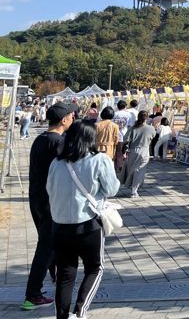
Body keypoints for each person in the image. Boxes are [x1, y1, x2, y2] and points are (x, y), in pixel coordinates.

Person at [46, 120, 119, 319]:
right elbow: (112, 189)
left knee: (65, 274)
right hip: (89, 225)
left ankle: (62, 315)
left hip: (60, 226)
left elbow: (49, 190)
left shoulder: (57, 162)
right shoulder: (100, 160)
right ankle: (80, 311)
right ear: (91, 138)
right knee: (95, 268)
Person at [20, 102, 76, 311]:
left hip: (37, 198)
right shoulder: (58, 142)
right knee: (46, 246)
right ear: (64, 120)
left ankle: (51, 279)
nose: (73, 119)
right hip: (50, 202)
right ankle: (32, 294)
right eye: (71, 116)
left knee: (51, 243)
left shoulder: (40, 139)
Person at [120, 110, 156, 197]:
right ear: (147, 118)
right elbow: (153, 137)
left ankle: (131, 187)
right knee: (140, 170)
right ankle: (134, 190)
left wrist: (124, 151)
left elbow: (125, 140)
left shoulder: (132, 128)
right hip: (144, 151)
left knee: (132, 170)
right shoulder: (151, 129)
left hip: (133, 151)